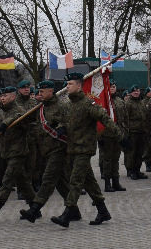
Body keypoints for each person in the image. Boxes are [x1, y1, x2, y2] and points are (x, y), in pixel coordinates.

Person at [50, 72, 122, 228]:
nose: (67, 87)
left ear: (79, 86)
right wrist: (61, 128)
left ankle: (67, 214)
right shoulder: (68, 105)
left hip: (84, 148)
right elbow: (63, 121)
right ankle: (103, 211)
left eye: (70, 84)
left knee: (75, 181)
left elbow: (105, 118)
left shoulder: (88, 104)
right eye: (67, 84)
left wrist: (120, 136)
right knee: (89, 182)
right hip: (72, 148)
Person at [19, 80, 77, 223]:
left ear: (50, 91)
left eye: (41, 92)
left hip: (59, 148)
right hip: (46, 149)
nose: (39, 94)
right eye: (38, 92)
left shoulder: (61, 106)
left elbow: (70, 121)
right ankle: (74, 211)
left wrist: (61, 126)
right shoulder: (40, 108)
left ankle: (34, 210)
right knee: (60, 183)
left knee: (48, 180)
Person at [0, 86, 36, 221]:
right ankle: (35, 208)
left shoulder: (19, 110)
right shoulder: (1, 110)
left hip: (18, 151)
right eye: (1, 96)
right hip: (6, 150)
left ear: (13, 96)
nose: (2, 98)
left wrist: (7, 123)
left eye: (5, 96)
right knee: (23, 182)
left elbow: (23, 121)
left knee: (7, 180)